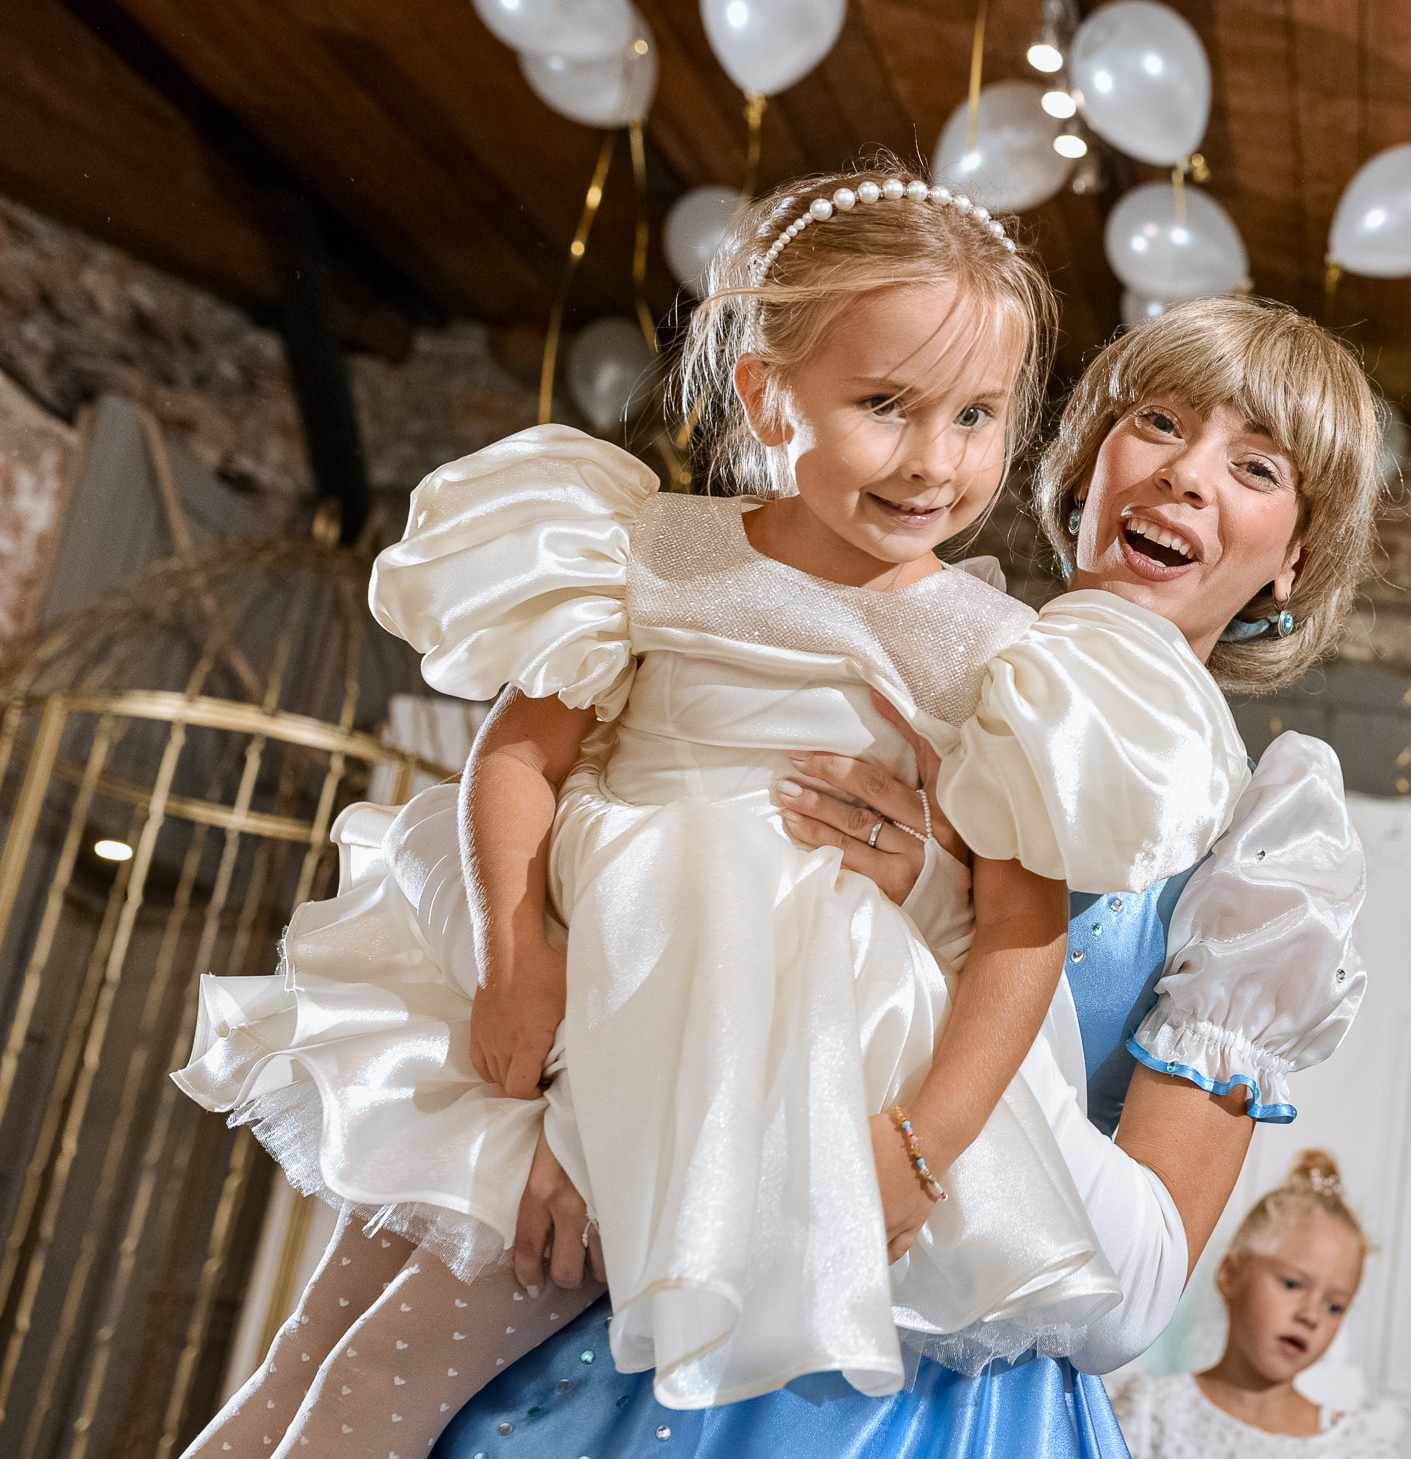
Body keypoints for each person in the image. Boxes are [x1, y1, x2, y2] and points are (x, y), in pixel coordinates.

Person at [172, 161, 1260, 1455]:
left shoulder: (988, 650)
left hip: (736, 1048)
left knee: (393, 1375)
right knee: (314, 1347)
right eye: (885, 405)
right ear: (766, 394)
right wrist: (519, 958)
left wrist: (922, 1150)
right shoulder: (654, 548)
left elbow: (1021, 933)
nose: (933, 460)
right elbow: (518, 753)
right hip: (570, 978)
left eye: (976, 417)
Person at [426, 296, 1387, 1457]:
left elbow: (1129, 1300)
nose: (1185, 476)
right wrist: (587, 1117)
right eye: (1159, 421)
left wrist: (955, 919)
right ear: (1084, 465)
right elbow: (650, 911)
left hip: (942, 1404)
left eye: (1255, 465)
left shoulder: (1262, 846)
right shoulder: (896, 647)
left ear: (1295, 557)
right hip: (672, 1305)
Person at [1111, 1151, 1401, 1459]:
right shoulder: (1150, 1414)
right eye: (1292, 1284)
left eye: (1335, 1306)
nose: (1311, 1316)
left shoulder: (1357, 1447)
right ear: (1230, 1275)